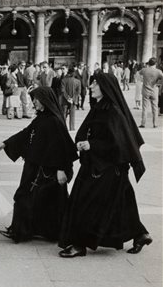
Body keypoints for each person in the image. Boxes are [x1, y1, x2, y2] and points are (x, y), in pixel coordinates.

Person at [58, 72, 152, 258]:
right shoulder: (99, 107)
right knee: (120, 204)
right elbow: (87, 130)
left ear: (105, 88)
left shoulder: (113, 112)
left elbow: (119, 144)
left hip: (106, 169)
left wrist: (92, 144)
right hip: (97, 165)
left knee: (84, 202)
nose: (90, 87)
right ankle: (140, 234)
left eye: (94, 84)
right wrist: (81, 141)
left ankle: (79, 244)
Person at [0, 87, 78, 243]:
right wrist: (5, 143)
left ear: (45, 100)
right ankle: (25, 230)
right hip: (35, 167)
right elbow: (26, 133)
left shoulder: (54, 121)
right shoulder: (42, 118)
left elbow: (63, 147)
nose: (33, 102)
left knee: (40, 200)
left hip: (48, 171)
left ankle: (29, 231)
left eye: (36, 99)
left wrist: (61, 169)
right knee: (30, 198)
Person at [139, 57, 163, 128]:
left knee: (145, 107)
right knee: (155, 108)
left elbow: (138, 74)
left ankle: (143, 123)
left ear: (148, 63)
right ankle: (155, 124)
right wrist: (159, 84)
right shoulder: (158, 71)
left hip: (145, 90)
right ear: (155, 63)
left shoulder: (144, 70)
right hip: (154, 90)